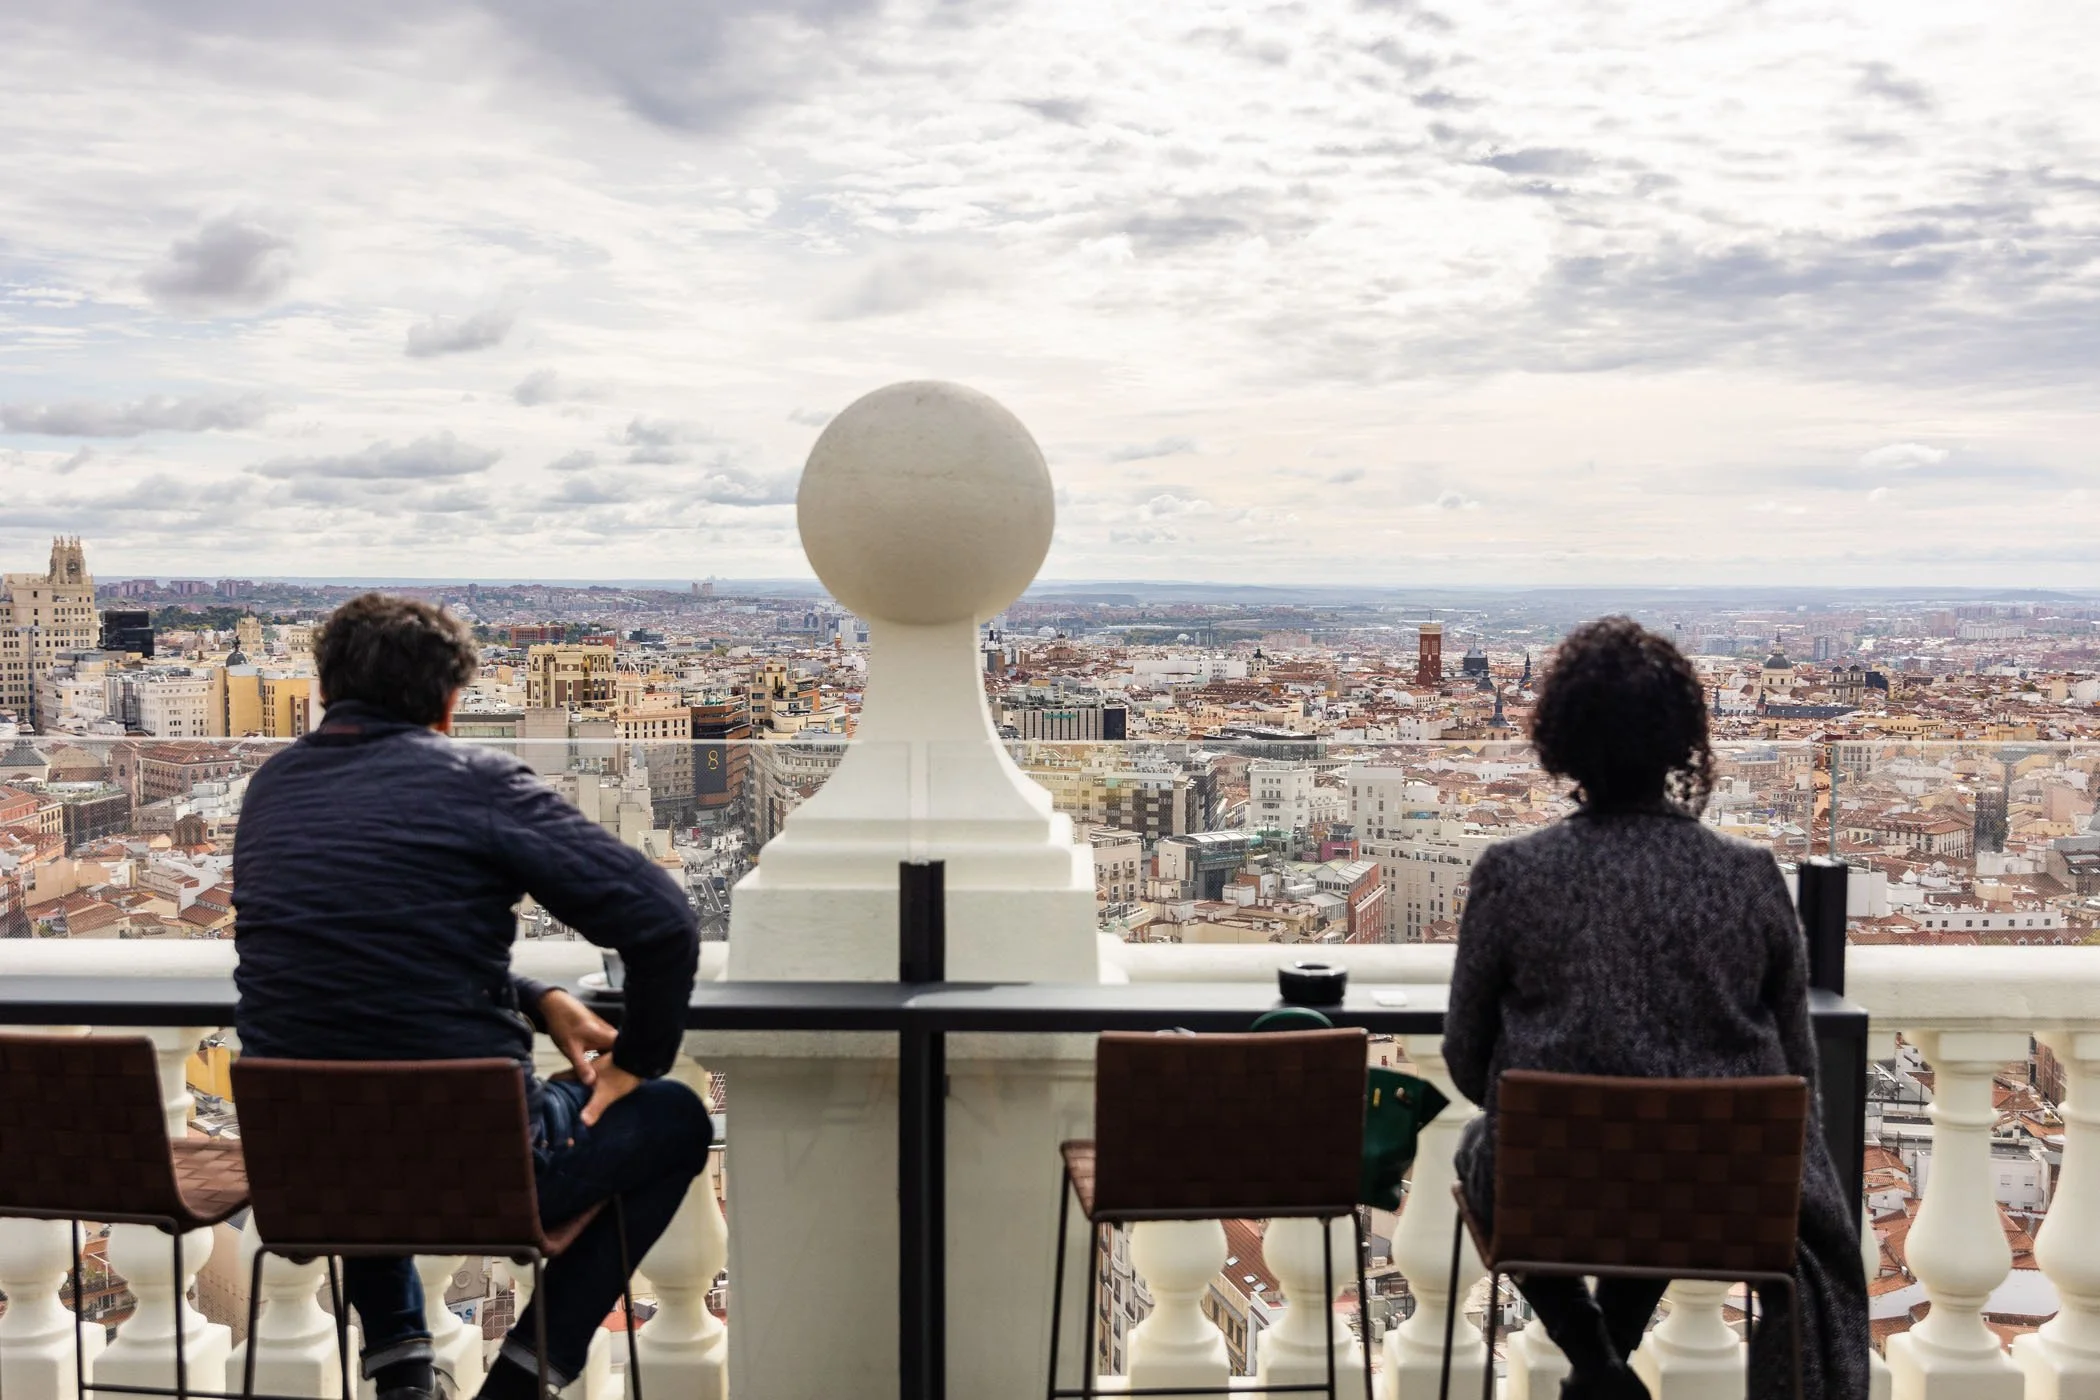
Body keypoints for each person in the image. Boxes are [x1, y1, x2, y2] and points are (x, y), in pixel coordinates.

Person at [234, 594, 707, 1400]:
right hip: (485, 1163)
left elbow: (369, 952)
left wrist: (531, 995)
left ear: (324, 690)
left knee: (356, 1088)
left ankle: (404, 1378)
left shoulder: (271, 790)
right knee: (675, 1118)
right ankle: (526, 1376)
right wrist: (638, 1061)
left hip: (311, 1165)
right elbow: (663, 922)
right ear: (451, 704)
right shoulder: (477, 781)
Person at [1442, 618, 1868, 1400]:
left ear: (1559, 743)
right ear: (1684, 744)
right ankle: (1604, 1367)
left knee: (1485, 1150)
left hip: (1555, 1183)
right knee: (1672, 1147)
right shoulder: (1749, 878)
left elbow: (1468, 1063)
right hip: (1716, 1193)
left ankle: (1597, 1365)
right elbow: (1796, 1076)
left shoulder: (1513, 873)